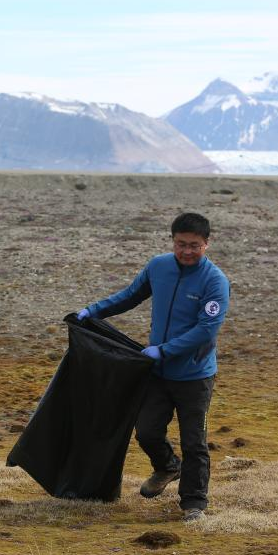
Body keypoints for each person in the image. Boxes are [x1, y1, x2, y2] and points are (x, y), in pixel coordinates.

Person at [77, 212, 229, 522]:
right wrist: (91, 312)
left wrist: (164, 350)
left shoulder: (215, 281)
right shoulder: (158, 266)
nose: (187, 251)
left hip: (194, 376)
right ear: (172, 241)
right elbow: (130, 296)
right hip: (157, 372)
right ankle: (167, 466)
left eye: (194, 246)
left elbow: (205, 330)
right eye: (181, 244)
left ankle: (193, 504)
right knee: (146, 432)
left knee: (193, 441)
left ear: (207, 244)